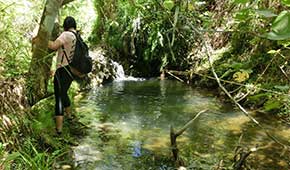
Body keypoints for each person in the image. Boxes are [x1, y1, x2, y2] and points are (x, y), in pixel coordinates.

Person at [47, 16, 78, 135]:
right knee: (64, 93)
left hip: (62, 70)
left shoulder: (66, 35)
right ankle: (69, 116)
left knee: (58, 98)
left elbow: (54, 46)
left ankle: (58, 130)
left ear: (65, 25)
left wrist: (40, 39)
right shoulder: (76, 36)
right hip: (72, 71)